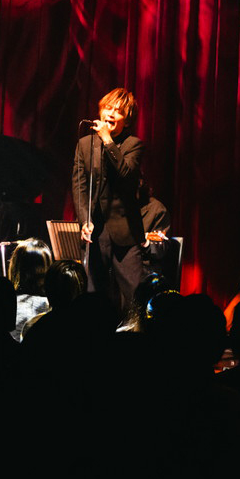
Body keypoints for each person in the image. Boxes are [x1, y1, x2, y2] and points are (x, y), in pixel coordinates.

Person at [72, 87, 148, 318]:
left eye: (118, 111)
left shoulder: (134, 144)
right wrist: (84, 220)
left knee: (136, 294)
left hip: (125, 231)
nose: (111, 113)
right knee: (93, 294)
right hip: (96, 231)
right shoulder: (85, 144)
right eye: (108, 108)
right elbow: (79, 186)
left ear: (127, 120)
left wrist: (107, 140)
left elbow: (125, 173)